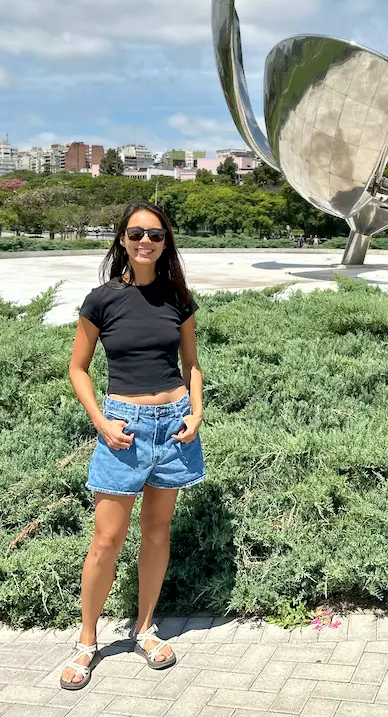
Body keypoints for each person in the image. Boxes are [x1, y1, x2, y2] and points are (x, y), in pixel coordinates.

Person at [60, 203, 205, 691]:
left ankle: (145, 627)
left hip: (174, 426)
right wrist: (100, 422)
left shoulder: (177, 298)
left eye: (156, 234)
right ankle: (86, 640)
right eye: (137, 232)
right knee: (106, 540)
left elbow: (191, 363)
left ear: (166, 243)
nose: (146, 240)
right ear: (122, 239)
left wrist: (196, 410)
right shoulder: (102, 300)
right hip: (122, 428)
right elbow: (78, 368)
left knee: (157, 532)